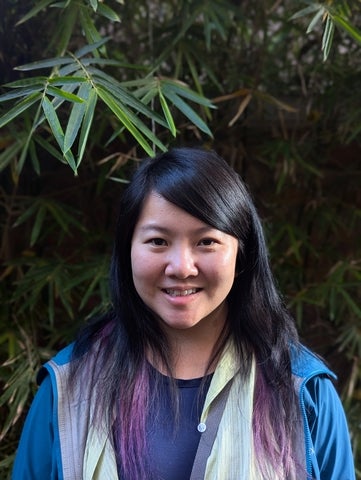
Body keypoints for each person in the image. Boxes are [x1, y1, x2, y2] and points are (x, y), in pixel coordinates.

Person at [12, 147, 355, 480]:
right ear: (127, 249)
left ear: (241, 253)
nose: (181, 267)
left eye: (206, 242)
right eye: (158, 241)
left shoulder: (300, 389)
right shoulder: (68, 388)